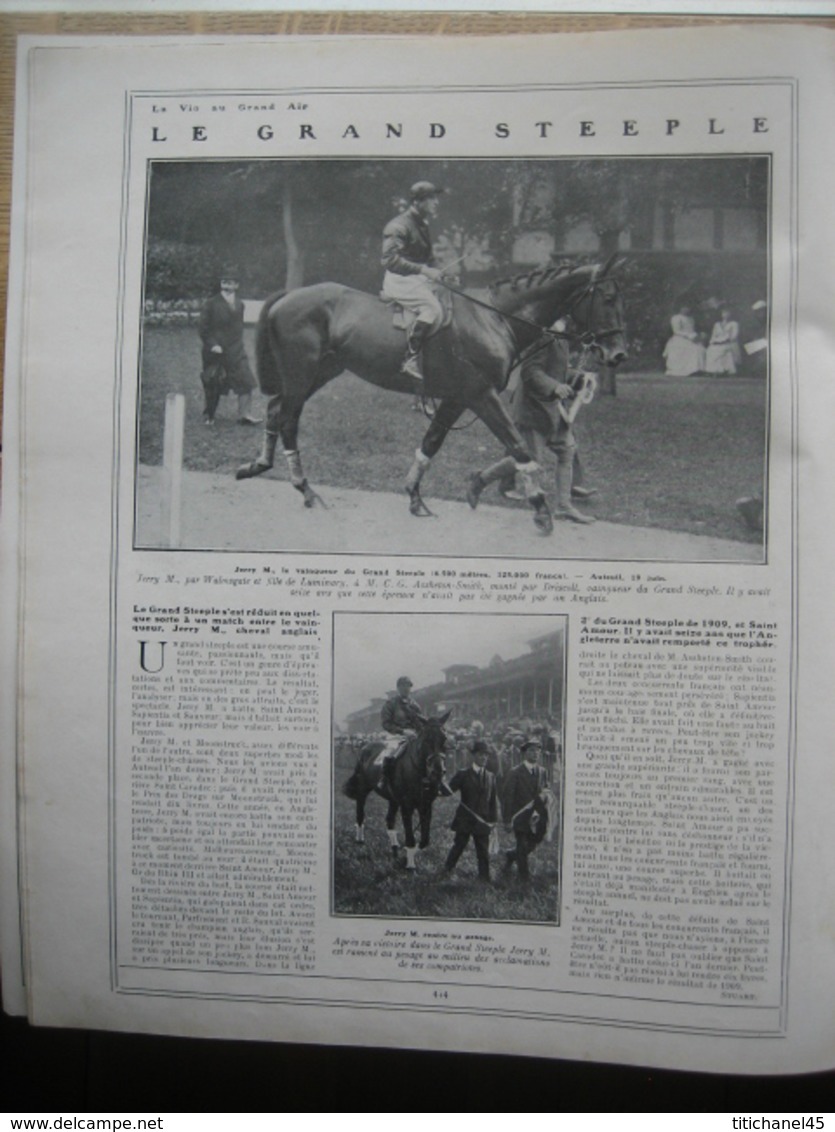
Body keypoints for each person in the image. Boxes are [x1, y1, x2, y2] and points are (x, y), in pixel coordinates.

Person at [500, 329, 597, 523]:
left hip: (552, 409)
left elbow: (556, 370)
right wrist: (554, 386)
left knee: (567, 451)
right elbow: (530, 371)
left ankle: (563, 506)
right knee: (530, 461)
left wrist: (580, 376)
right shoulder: (540, 335)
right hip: (532, 409)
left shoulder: (561, 337)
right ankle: (482, 480)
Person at [381, 181, 447, 383]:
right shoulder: (398, 225)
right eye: (431, 198)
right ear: (418, 202)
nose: (436, 203)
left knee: (447, 300)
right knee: (433, 310)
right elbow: (389, 260)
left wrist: (440, 272)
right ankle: (410, 358)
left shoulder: (422, 224)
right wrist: (424, 270)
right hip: (399, 279)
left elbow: (426, 257)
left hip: (416, 278)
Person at [198, 265, 262, 425]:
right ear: (221, 284)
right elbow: (203, 329)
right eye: (224, 282)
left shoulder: (240, 304)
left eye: (231, 283)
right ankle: (209, 415)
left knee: (246, 381)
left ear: (236, 286)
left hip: (236, 350)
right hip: (216, 351)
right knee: (214, 383)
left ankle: (244, 415)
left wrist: (239, 346)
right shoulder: (211, 304)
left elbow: (238, 327)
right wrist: (213, 345)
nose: (227, 286)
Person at [443, 741, 498, 883]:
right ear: (473, 756)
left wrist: (493, 820)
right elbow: (448, 791)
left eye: (486, 756)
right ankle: (447, 869)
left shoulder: (491, 777)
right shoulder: (463, 774)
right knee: (459, 845)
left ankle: (484, 877)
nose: (484, 758)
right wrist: (439, 783)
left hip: (482, 820)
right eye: (480, 755)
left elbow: (492, 801)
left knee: (483, 850)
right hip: (465, 819)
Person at [501, 738, 549, 883]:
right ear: (525, 753)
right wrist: (507, 820)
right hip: (520, 816)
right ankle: (524, 877)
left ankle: (511, 855)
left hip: (537, 816)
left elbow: (545, 789)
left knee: (533, 842)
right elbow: (507, 797)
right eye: (531, 750)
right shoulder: (515, 772)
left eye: (537, 751)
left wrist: (545, 796)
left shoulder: (542, 771)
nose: (535, 754)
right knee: (522, 843)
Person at [378, 675, 426, 797]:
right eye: (403, 686)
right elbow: (386, 723)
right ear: (398, 688)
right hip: (395, 735)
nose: (406, 688)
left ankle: (436, 781)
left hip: (414, 736)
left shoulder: (415, 705)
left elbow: (421, 722)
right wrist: (402, 731)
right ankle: (384, 780)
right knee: (390, 753)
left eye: (408, 686)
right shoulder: (391, 703)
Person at [663, 304, 706, 376]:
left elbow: (692, 330)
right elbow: (676, 331)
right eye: (684, 307)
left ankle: (697, 369)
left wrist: (697, 336)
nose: (687, 309)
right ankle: (687, 370)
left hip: (692, 338)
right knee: (692, 349)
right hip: (680, 338)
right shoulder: (676, 318)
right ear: (680, 308)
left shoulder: (691, 319)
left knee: (700, 348)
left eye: (688, 307)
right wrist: (689, 336)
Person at [705, 306, 741, 374]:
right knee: (711, 349)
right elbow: (713, 336)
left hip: (729, 343)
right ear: (721, 314)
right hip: (718, 343)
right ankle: (714, 370)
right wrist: (713, 342)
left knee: (722, 350)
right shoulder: (717, 324)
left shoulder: (734, 324)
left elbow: (734, 336)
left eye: (728, 312)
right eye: (724, 312)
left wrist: (725, 340)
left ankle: (725, 369)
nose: (725, 314)